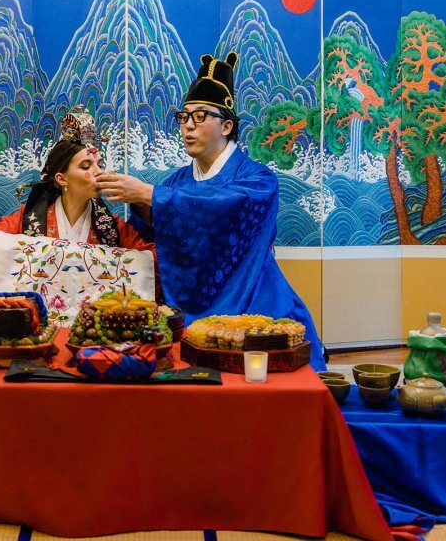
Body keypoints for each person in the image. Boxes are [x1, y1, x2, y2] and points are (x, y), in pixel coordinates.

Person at [95, 52, 326, 370]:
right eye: (184, 117)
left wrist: (149, 194)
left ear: (227, 126)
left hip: (255, 296)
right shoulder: (176, 182)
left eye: (200, 117)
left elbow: (223, 206)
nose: (188, 126)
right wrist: (139, 201)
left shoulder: (258, 180)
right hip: (190, 305)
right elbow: (156, 235)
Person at [0, 116, 155, 303]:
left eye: (99, 164)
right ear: (61, 178)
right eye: (86, 166)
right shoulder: (30, 219)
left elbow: (152, 262)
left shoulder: (110, 227)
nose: (99, 172)